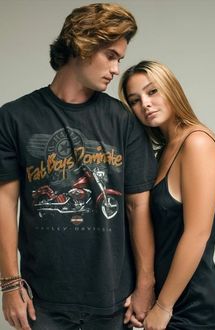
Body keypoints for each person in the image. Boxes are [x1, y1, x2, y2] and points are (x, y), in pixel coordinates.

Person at [0, 5, 158, 330]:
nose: (116, 69)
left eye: (120, 60)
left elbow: (138, 206)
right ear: (83, 44)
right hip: (41, 304)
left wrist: (146, 284)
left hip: (115, 302)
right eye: (111, 55)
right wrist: (9, 284)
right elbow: (4, 202)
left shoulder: (123, 121)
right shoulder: (14, 117)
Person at [119, 60, 215, 330]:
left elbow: (197, 234)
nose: (145, 103)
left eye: (152, 91)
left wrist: (163, 307)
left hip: (193, 307)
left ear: (171, 89)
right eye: (135, 100)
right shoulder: (161, 153)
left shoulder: (197, 143)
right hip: (167, 300)